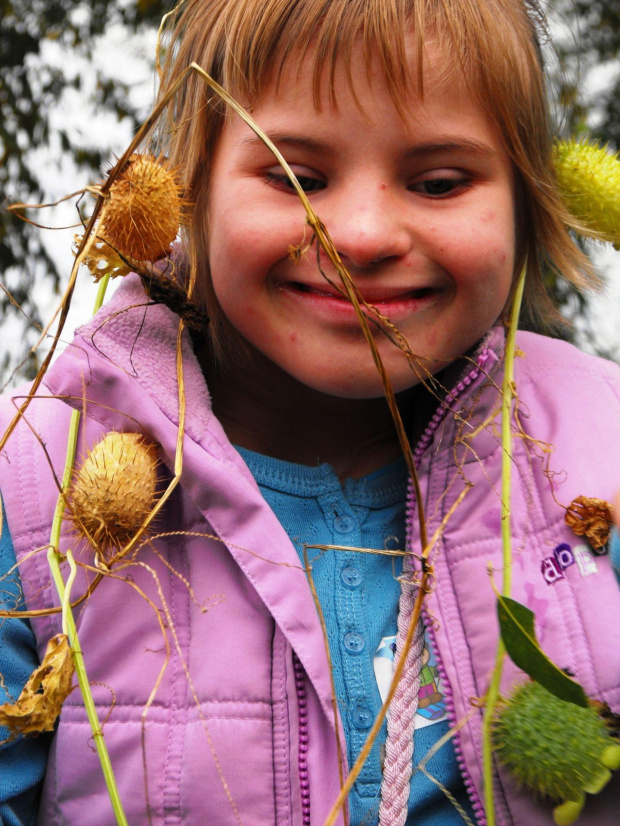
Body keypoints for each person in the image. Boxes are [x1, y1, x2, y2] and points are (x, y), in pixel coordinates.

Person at [1, 0, 620, 823]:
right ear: (194, 193)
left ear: (527, 204)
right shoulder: (28, 484)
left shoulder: (601, 446)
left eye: (439, 182)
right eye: (298, 174)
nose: (360, 235)